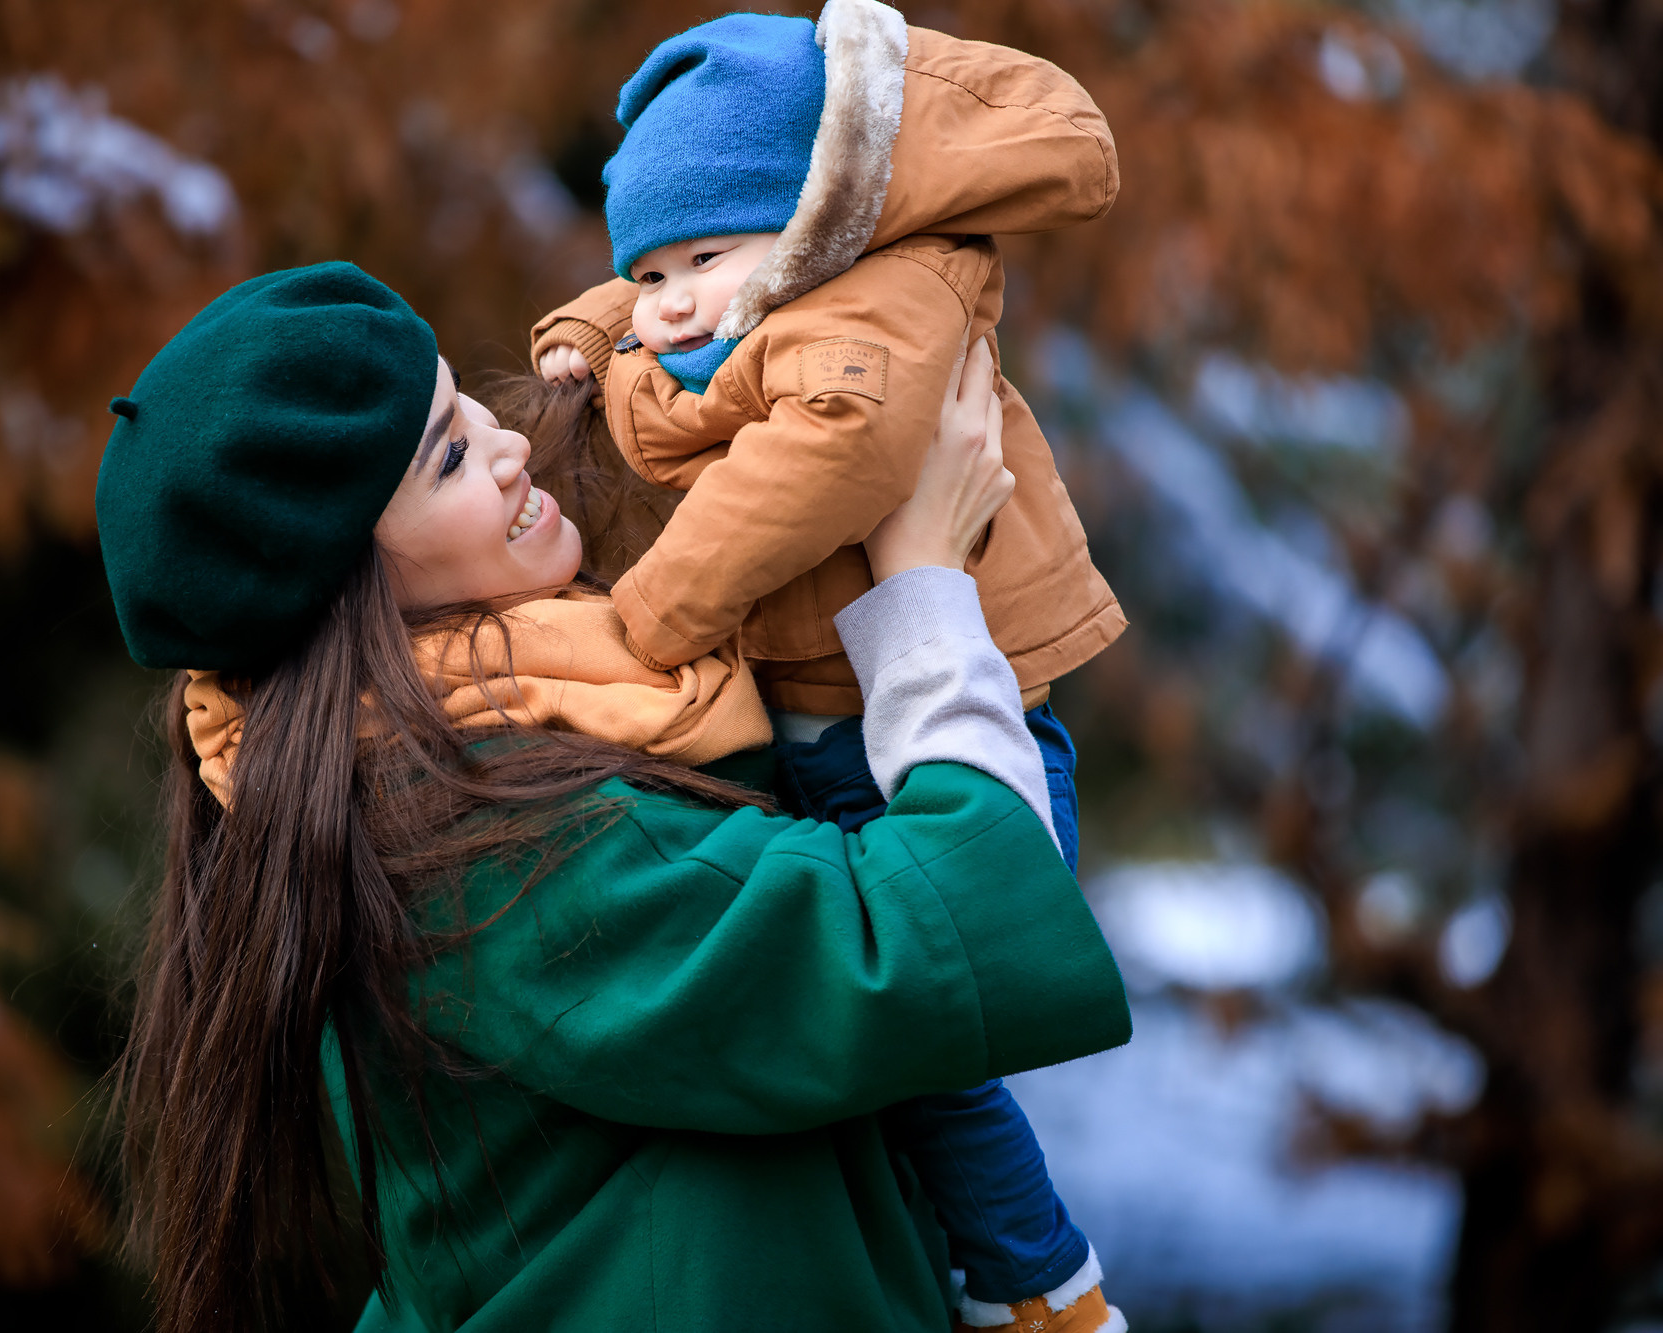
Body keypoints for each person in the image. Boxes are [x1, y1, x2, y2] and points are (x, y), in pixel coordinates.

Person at [96, 262, 1130, 1333]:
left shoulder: (531, 711)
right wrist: (922, 583)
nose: (507, 448)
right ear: (344, 597)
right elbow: (922, 941)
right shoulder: (467, 844)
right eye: (447, 458)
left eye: (464, 408)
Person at [532, 4, 1125, 1325]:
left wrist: (655, 618)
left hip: (941, 714)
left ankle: (1043, 1289)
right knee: (865, 1050)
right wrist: (582, 328)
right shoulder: (744, 292)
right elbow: (658, 279)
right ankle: (943, 1266)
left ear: (807, 227)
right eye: (652, 266)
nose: (673, 297)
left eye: (705, 258)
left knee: (933, 1048)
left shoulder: (881, 305)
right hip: (827, 721)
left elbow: (835, 451)